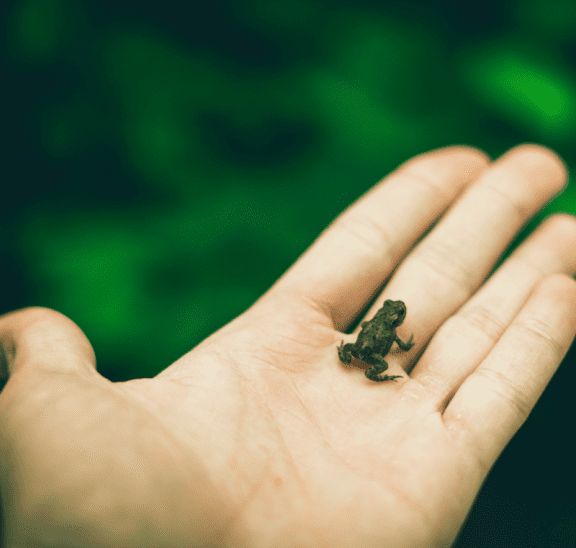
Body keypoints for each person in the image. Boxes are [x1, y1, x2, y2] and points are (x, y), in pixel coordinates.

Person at [0, 143, 575, 548]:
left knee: (373, 349)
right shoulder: (384, 324)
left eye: (397, 313)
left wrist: (388, 347)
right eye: (396, 311)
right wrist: (386, 357)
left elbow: (387, 335)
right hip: (362, 352)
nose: (397, 313)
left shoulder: (386, 322)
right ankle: (374, 372)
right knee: (372, 352)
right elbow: (386, 338)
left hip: (362, 349)